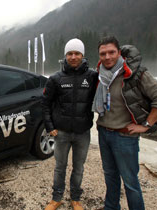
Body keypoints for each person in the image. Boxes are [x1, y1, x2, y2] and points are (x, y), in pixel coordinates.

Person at [92, 36, 157, 210]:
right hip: (104, 133)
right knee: (110, 177)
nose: (107, 57)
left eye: (111, 52)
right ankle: (111, 207)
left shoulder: (135, 73)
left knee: (130, 182)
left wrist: (146, 125)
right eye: (103, 53)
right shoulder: (101, 75)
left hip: (124, 137)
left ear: (119, 53)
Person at [42, 38, 98, 210]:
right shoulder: (55, 78)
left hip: (82, 133)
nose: (73, 57)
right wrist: (50, 127)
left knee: (78, 168)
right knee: (60, 167)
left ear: (82, 55)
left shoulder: (92, 76)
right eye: (70, 54)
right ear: (65, 56)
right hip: (62, 133)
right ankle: (56, 198)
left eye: (77, 53)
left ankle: (75, 199)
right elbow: (45, 104)